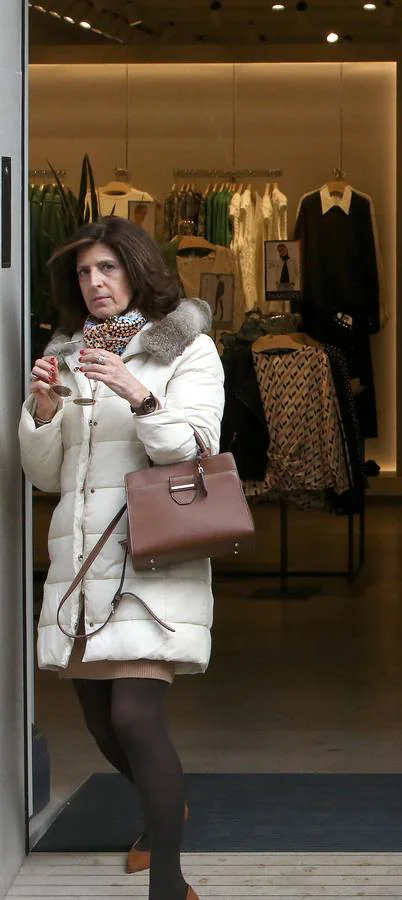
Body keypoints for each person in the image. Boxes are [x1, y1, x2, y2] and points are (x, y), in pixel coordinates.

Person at [19, 217, 224, 900]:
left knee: (137, 716)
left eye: (107, 267)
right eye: (83, 272)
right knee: (102, 723)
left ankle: (168, 882)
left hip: (150, 556)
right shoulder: (73, 350)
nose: (95, 282)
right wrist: (44, 412)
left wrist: (140, 396)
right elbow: (48, 474)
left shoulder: (185, 347)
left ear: (137, 269)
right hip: (82, 562)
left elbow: (195, 450)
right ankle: (166, 808)